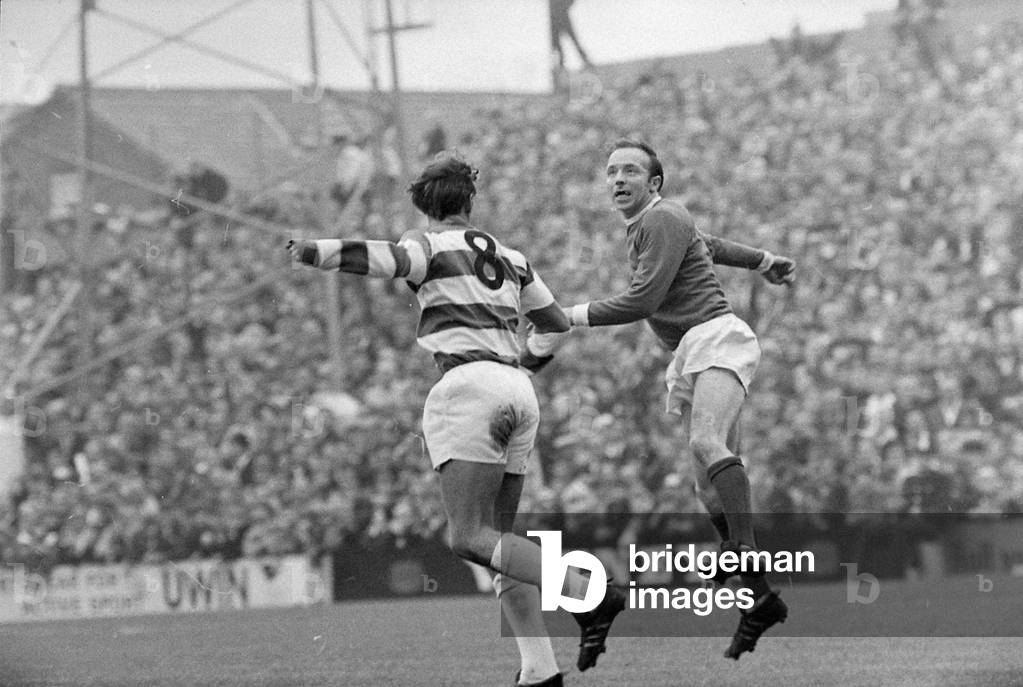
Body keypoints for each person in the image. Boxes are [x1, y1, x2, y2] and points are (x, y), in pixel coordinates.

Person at [287, 151, 626, 686]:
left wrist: (315, 251)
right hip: (516, 387)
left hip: (467, 386)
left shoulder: (426, 244)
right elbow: (557, 324)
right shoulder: (511, 256)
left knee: (468, 537)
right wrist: (525, 365)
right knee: (500, 544)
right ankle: (539, 671)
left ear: (425, 206)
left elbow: (385, 259)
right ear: (469, 199)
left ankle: (587, 591)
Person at [561, 139, 796, 660]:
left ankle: (745, 555)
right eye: (610, 171)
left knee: (706, 440)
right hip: (692, 350)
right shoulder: (654, 223)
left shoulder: (662, 216)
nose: (617, 179)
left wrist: (569, 316)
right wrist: (763, 260)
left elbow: (642, 300)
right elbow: (707, 245)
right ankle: (759, 602)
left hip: (716, 337)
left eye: (629, 170)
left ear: (654, 183)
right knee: (705, 492)